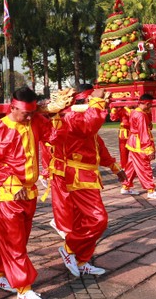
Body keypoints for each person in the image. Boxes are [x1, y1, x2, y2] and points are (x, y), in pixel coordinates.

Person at [0, 86, 89, 299]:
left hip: (30, 193)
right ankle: (24, 288)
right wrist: (12, 183)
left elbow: (55, 137)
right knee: (15, 242)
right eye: (25, 113)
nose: (29, 117)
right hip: (7, 195)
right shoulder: (1, 128)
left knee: (17, 240)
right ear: (13, 107)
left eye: (32, 112)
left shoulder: (36, 122)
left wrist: (57, 114)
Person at [43, 86, 126, 277]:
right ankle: (69, 248)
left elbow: (97, 144)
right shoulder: (72, 117)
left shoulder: (82, 116)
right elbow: (90, 125)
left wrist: (115, 167)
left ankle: (81, 260)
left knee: (84, 221)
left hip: (87, 177)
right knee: (98, 219)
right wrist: (97, 102)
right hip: (76, 177)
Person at [122, 94, 156, 199]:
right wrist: (149, 148)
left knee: (131, 166)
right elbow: (143, 132)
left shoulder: (134, 112)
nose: (150, 107)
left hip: (133, 142)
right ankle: (151, 190)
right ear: (147, 103)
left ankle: (125, 187)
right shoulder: (140, 115)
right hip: (139, 144)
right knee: (145, 167)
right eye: (150, 105)